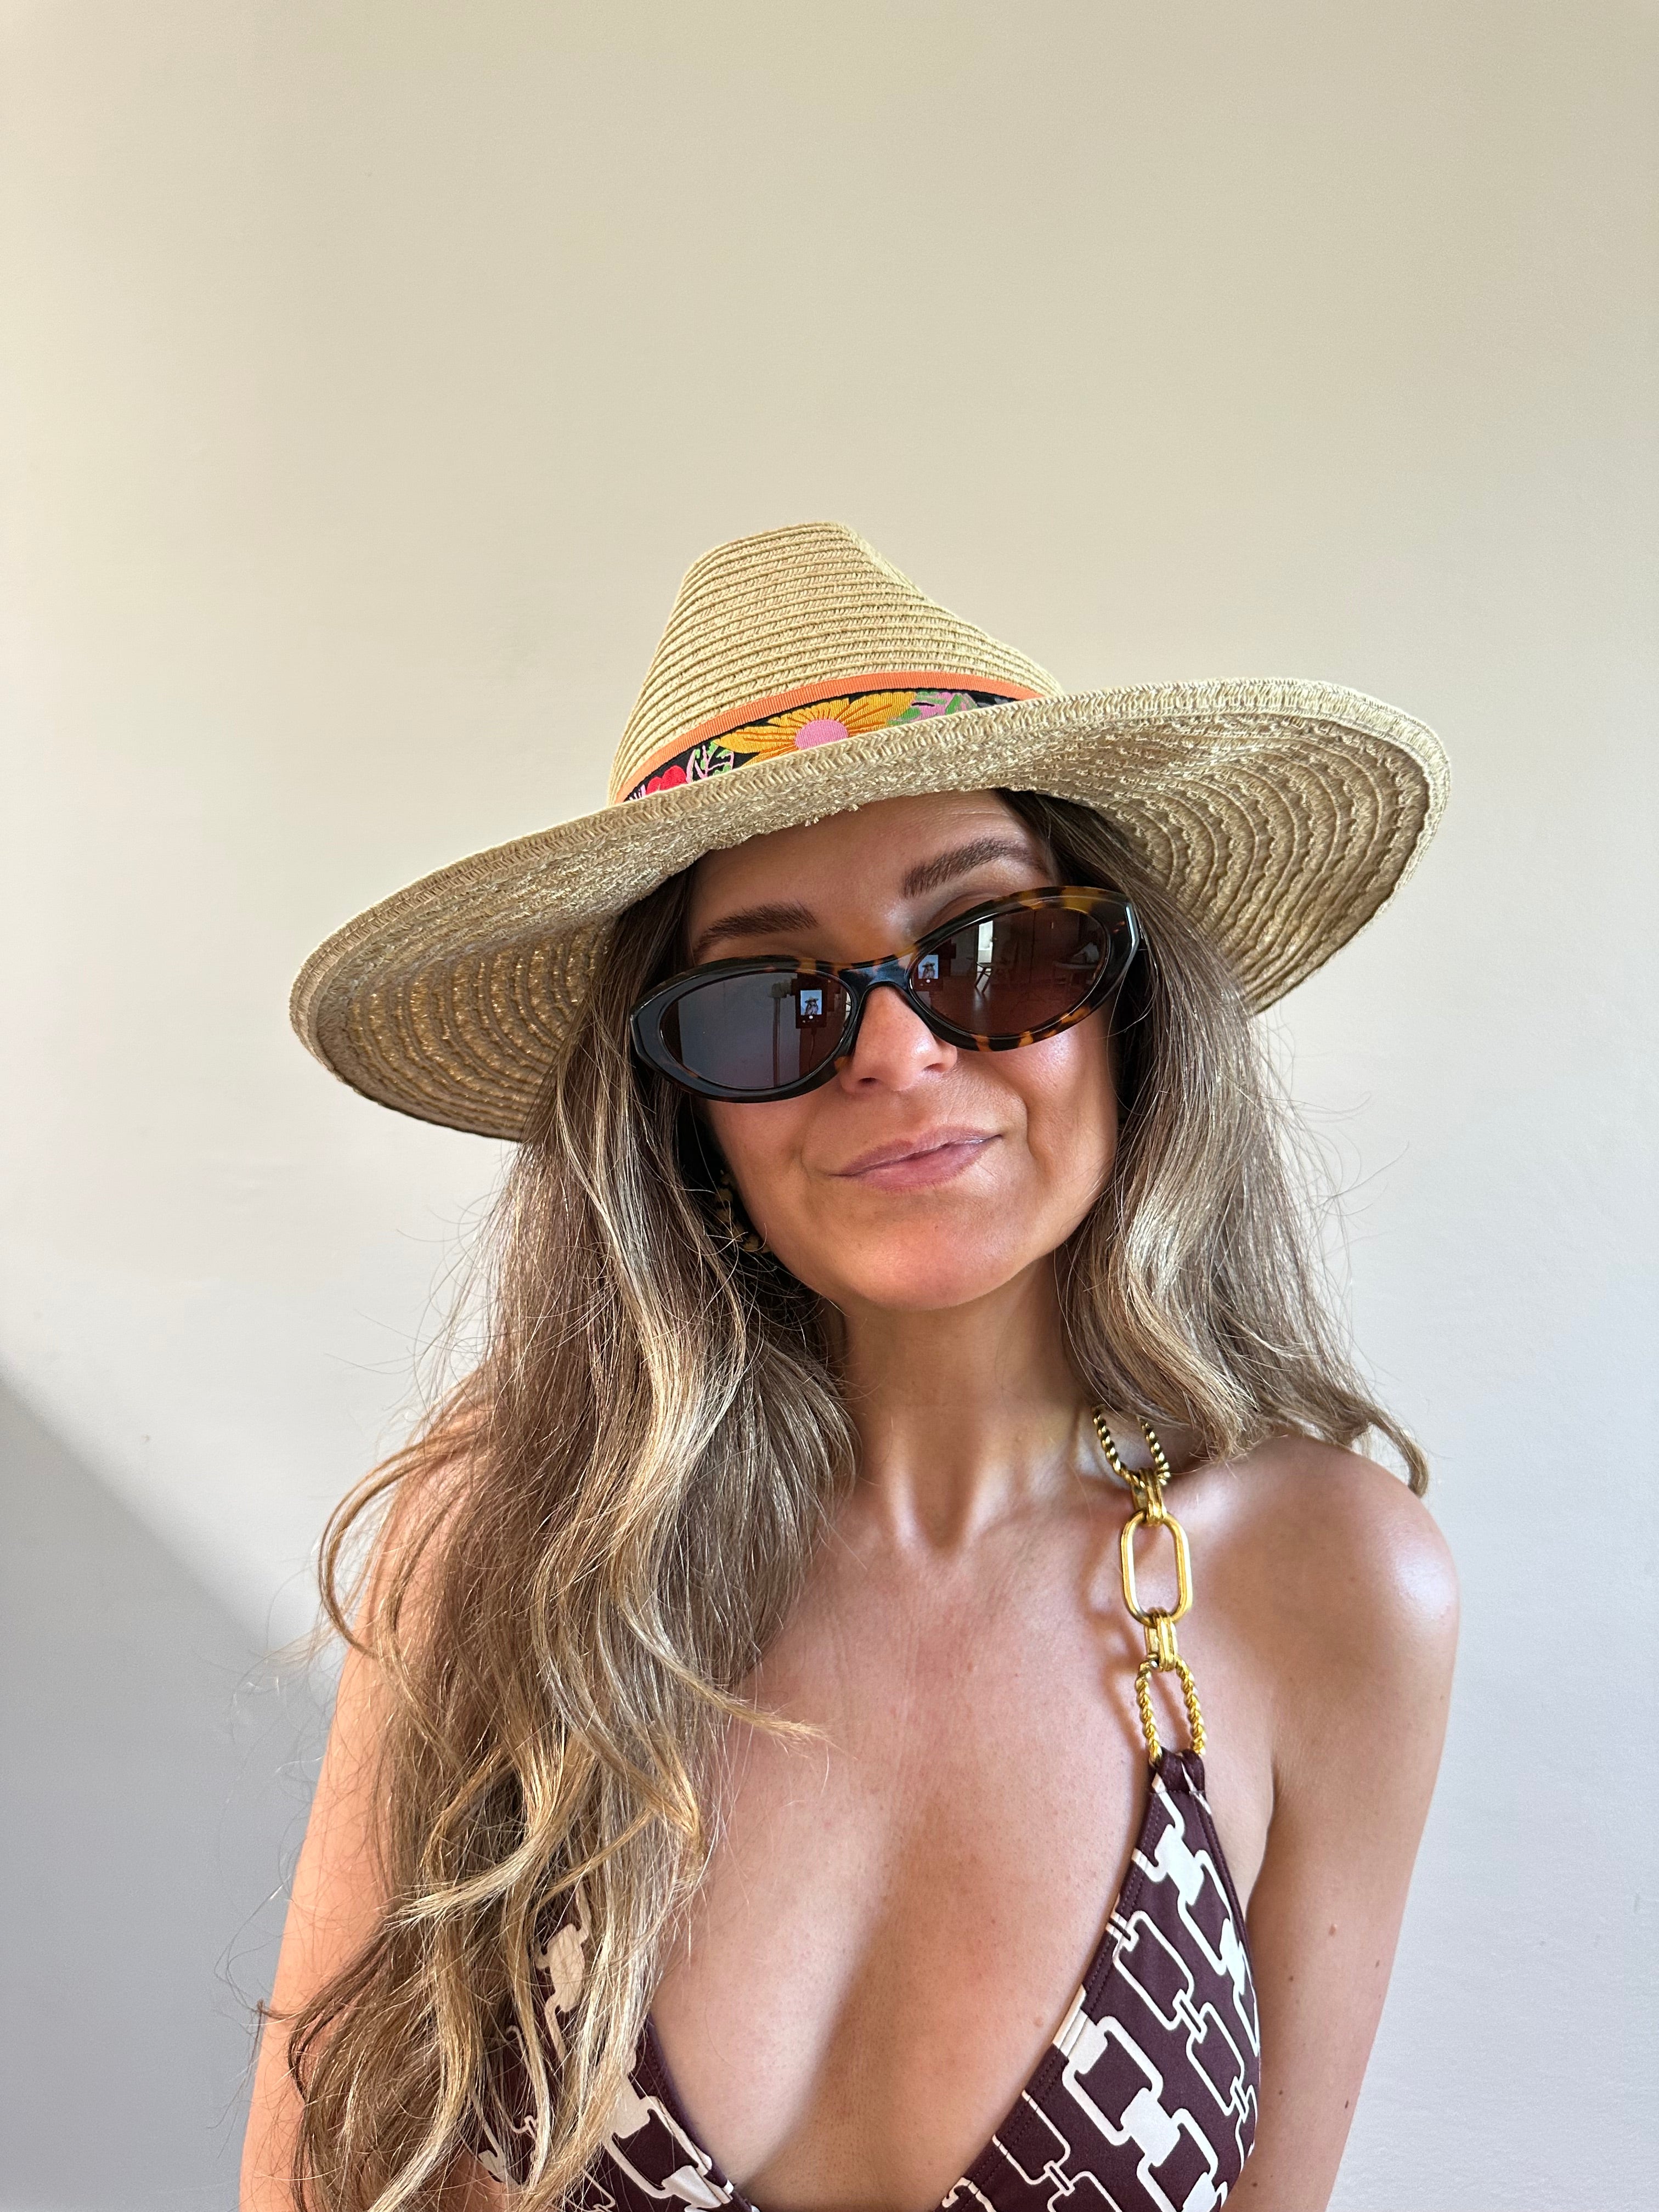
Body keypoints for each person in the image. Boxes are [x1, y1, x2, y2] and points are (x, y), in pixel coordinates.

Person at [245, 522, 1459, 2212]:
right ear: (681, 1104)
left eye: (995, 949)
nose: (897, 1050)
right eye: (766, 1003)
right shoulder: (510, 1538)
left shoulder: (1326, 1586)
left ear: (1126, 1003)